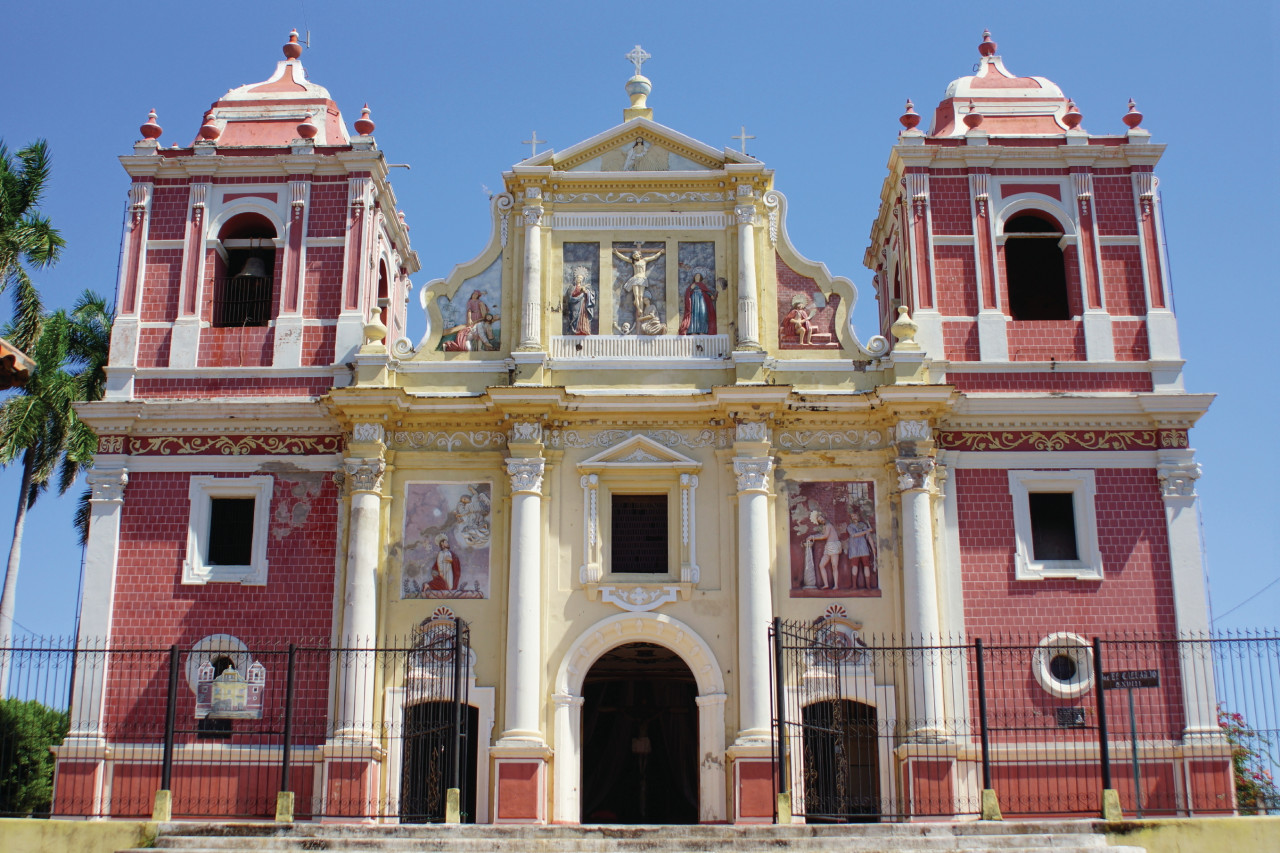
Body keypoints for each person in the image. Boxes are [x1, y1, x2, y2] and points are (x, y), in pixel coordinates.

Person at [614, 246, 665, 319]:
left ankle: (640, 311)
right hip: (635, 278)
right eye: (634, 256)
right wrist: (616, 253)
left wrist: (660, 252)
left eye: (636, 255)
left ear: (639, 254)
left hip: (642, 279)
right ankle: (639, 309)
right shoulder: (633, 262)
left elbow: (654, 257)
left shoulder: (644, 260)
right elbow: (624, 258)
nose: (635, 256)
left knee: (641, 296)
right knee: (636, 295)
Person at [805, 510, 842, 590]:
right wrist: (812, 536)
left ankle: (836, 585)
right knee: (821, 565)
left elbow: (824, 536)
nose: (821, 520)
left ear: (823, 517)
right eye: (819, 520)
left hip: (834, 545)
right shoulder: (825, 526)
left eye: (821, 518)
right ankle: (826, 584)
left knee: (834, 566)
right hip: (828, 546)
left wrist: (813, 537)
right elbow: (822, 535)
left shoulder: (828, 525)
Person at [844, 505, 876, 590]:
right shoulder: (850, 526)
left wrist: (873, 548)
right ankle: (854, 585)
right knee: (854, 566)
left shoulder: (863, 525)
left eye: (855, 515)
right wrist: (867, 531)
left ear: (858, 516)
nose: (854, 517)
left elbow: (869, 537)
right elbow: (854, 535)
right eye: (852, 516)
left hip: (863, 548)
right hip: (854, 548)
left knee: (866, 566)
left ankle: (868, 585)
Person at [565, 269, 596, 335]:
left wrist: (586, 292)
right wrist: (579, 292)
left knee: (583, 316)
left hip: (583, 305)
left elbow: (590, 294)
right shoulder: (572, 287)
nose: (579, 279)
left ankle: (584, 329)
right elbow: (570, 296)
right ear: (575, 278)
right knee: (575, 317)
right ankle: (575, 329)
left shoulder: (585, 287)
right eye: (578, 278)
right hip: (575, 306)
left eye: (581, 278)